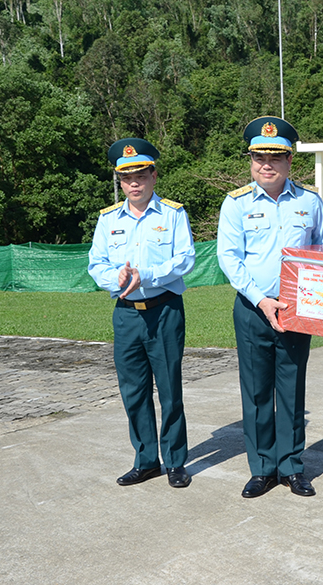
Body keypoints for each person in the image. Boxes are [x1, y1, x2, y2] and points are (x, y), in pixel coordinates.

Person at [217, 116, 323, 499]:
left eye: (275, 157)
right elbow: (229, 259)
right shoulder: (235, 204)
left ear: (289, 162)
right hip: (254, 310)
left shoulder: (309, 202)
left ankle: (292, 467)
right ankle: (262, 468)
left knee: (290, 390)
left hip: (297, 311)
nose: (266, 165)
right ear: (251, 161)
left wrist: (319, 298)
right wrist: (262, 300)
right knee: (255, 393)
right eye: (258, 158)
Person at [88, 137, 195, 488]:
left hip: (164, 311)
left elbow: (185, 260)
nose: (134, 183)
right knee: (133, 390)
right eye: (126, 177)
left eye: (141, 175)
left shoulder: (174, 214)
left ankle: (176, 461)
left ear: (153, 175)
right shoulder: (107, 220)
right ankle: (146, 459)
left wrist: (145, 275)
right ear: (119, 181)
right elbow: (96, 264)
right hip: (126, 313)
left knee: (168, 390)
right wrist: (114, 278)